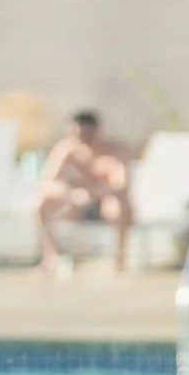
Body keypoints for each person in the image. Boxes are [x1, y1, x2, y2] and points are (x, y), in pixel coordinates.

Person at [34, 109, 133, 273]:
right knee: (42, 202)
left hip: (105, 202)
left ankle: (119, 260)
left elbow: (121, 184)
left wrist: (94, 193)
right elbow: (47, 182)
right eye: (79, 135)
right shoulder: (66, 149)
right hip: (75, 204)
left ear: (97, 131)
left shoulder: (114, 151)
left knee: (121, 206)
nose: (84, 139)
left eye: (88, 134)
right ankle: (50, 258)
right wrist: (72, 193)